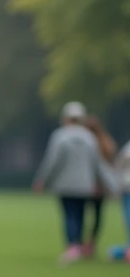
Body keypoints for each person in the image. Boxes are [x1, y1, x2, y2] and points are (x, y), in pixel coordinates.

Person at [32, 101, 118, 265]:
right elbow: (98, 164)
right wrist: (112, 185)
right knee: (79, 215)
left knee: (69, 215)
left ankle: (73, 246)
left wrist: (42, 180)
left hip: (64, 185)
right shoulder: (89, 138)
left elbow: (52, 162)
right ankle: (77, 245)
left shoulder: (60, 136)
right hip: (84, 186)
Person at [82, 115, 119, 258]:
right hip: (100, 185)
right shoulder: (106, 142)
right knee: (97, 216)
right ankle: (91, 242)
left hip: (88, 184)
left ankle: (83, 243)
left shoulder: (89, 142)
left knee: (84, 213)